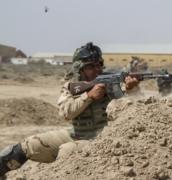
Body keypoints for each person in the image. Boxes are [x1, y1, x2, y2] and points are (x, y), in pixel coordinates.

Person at [0, 42, 139, 177]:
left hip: (104, 140)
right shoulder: (72, 86)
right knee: (25, 147)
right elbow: (65, 113)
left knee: (67, 152)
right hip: (77, 133)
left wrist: (130, 89)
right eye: (91, 66)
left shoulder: (114, 82)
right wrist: (89, 96)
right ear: (80, 69)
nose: (97, 69)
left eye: (99, 65)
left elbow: (134, 111)